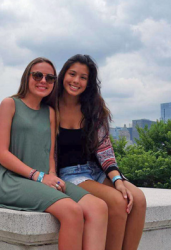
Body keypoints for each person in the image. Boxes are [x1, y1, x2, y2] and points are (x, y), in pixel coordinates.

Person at [0, 57, 108, 250]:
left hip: (43, 179)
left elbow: (50, 155)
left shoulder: (50, 112)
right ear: (27, 77)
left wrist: (51, 175)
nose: (43, 81)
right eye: (38, 75)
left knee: (98, 207)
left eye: (50, 78)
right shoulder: (10, 104)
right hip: (11, 181)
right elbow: (1, 153)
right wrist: (38, 176)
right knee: (72, 210)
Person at [56, 54, 147, 250]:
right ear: (63, 74)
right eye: (72, 74)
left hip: (96, 170)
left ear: (88, 82)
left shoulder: (93, 107)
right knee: (117, 201)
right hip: (70, 174)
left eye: (83, 77)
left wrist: (117, 179)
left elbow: (104, 148)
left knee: (138, 199)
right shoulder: (50, 106)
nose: (76, 81)